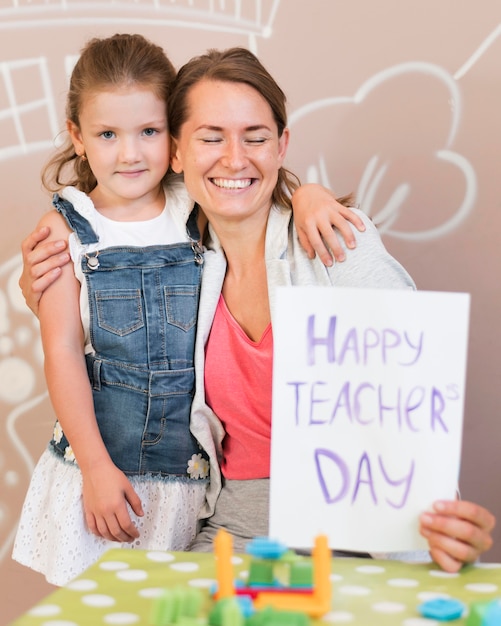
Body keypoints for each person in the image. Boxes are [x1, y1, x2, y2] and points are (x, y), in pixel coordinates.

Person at [13, 34, 361, 586]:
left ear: (171, 142)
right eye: (108, 134)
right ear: (77, 137)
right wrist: (97, 468)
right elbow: (61, 350)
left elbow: (251, 186)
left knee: (169, 600)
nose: (130, 153)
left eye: (148, 132)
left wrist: (310, 194)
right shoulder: (69, 228)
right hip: (106, 464)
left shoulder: (190, 206)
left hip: (187, 477)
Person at [163, 47, 495, 573]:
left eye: (256, 137)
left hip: (362, 525)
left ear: (282, 146)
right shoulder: (178, 260)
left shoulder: (337, 238)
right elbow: (107, 210)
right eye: (210, 137)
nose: (234, 158)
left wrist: (432, 521)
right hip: (238, 529)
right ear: (176, 152)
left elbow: (409, 392)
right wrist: (55, 239)